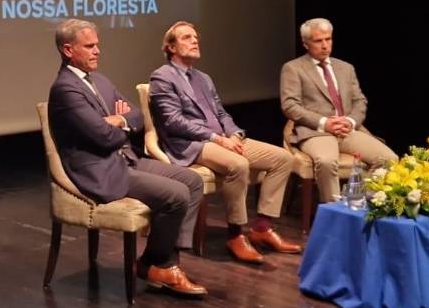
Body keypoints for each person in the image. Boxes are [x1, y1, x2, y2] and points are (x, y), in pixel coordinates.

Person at [47, 19, 207, 297]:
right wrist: (120, 125)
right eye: (89, 46)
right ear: (68, 50)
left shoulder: (100, 80)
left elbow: (137, 116)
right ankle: (160, 265)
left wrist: (119, 120)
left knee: (192, 181)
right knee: (177, 194)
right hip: (100, 170)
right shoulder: (65, 89)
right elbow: (103, 138)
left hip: (123, 158)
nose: (97, 51)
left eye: (97, 45)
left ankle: (160, 262)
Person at [148, 21, 304, 263]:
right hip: (192, 143)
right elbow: (173, 122)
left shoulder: (203, 78)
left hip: (222, 138)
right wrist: (217, 138)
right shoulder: (162, 77)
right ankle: (235, 234)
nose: (195, 41)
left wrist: (234, 134)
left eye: (196, 37)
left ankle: (262, 228)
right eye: (187, 37)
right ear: (171, 47)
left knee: (283, 158)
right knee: (238, 164)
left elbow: (221, 113)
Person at [279, 18, 397, 203]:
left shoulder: (346, 68)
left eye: (328, 39)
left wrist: (350, 121)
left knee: (388, 159)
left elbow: (359, 101)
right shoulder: (293, 68)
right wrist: (325, 123)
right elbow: (290, 106)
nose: (325, 45)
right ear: (306, 44)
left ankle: (359, 204)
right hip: (316, 131)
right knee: (326, 162)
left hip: (346, 129)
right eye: (318, 41)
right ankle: (335, 211)